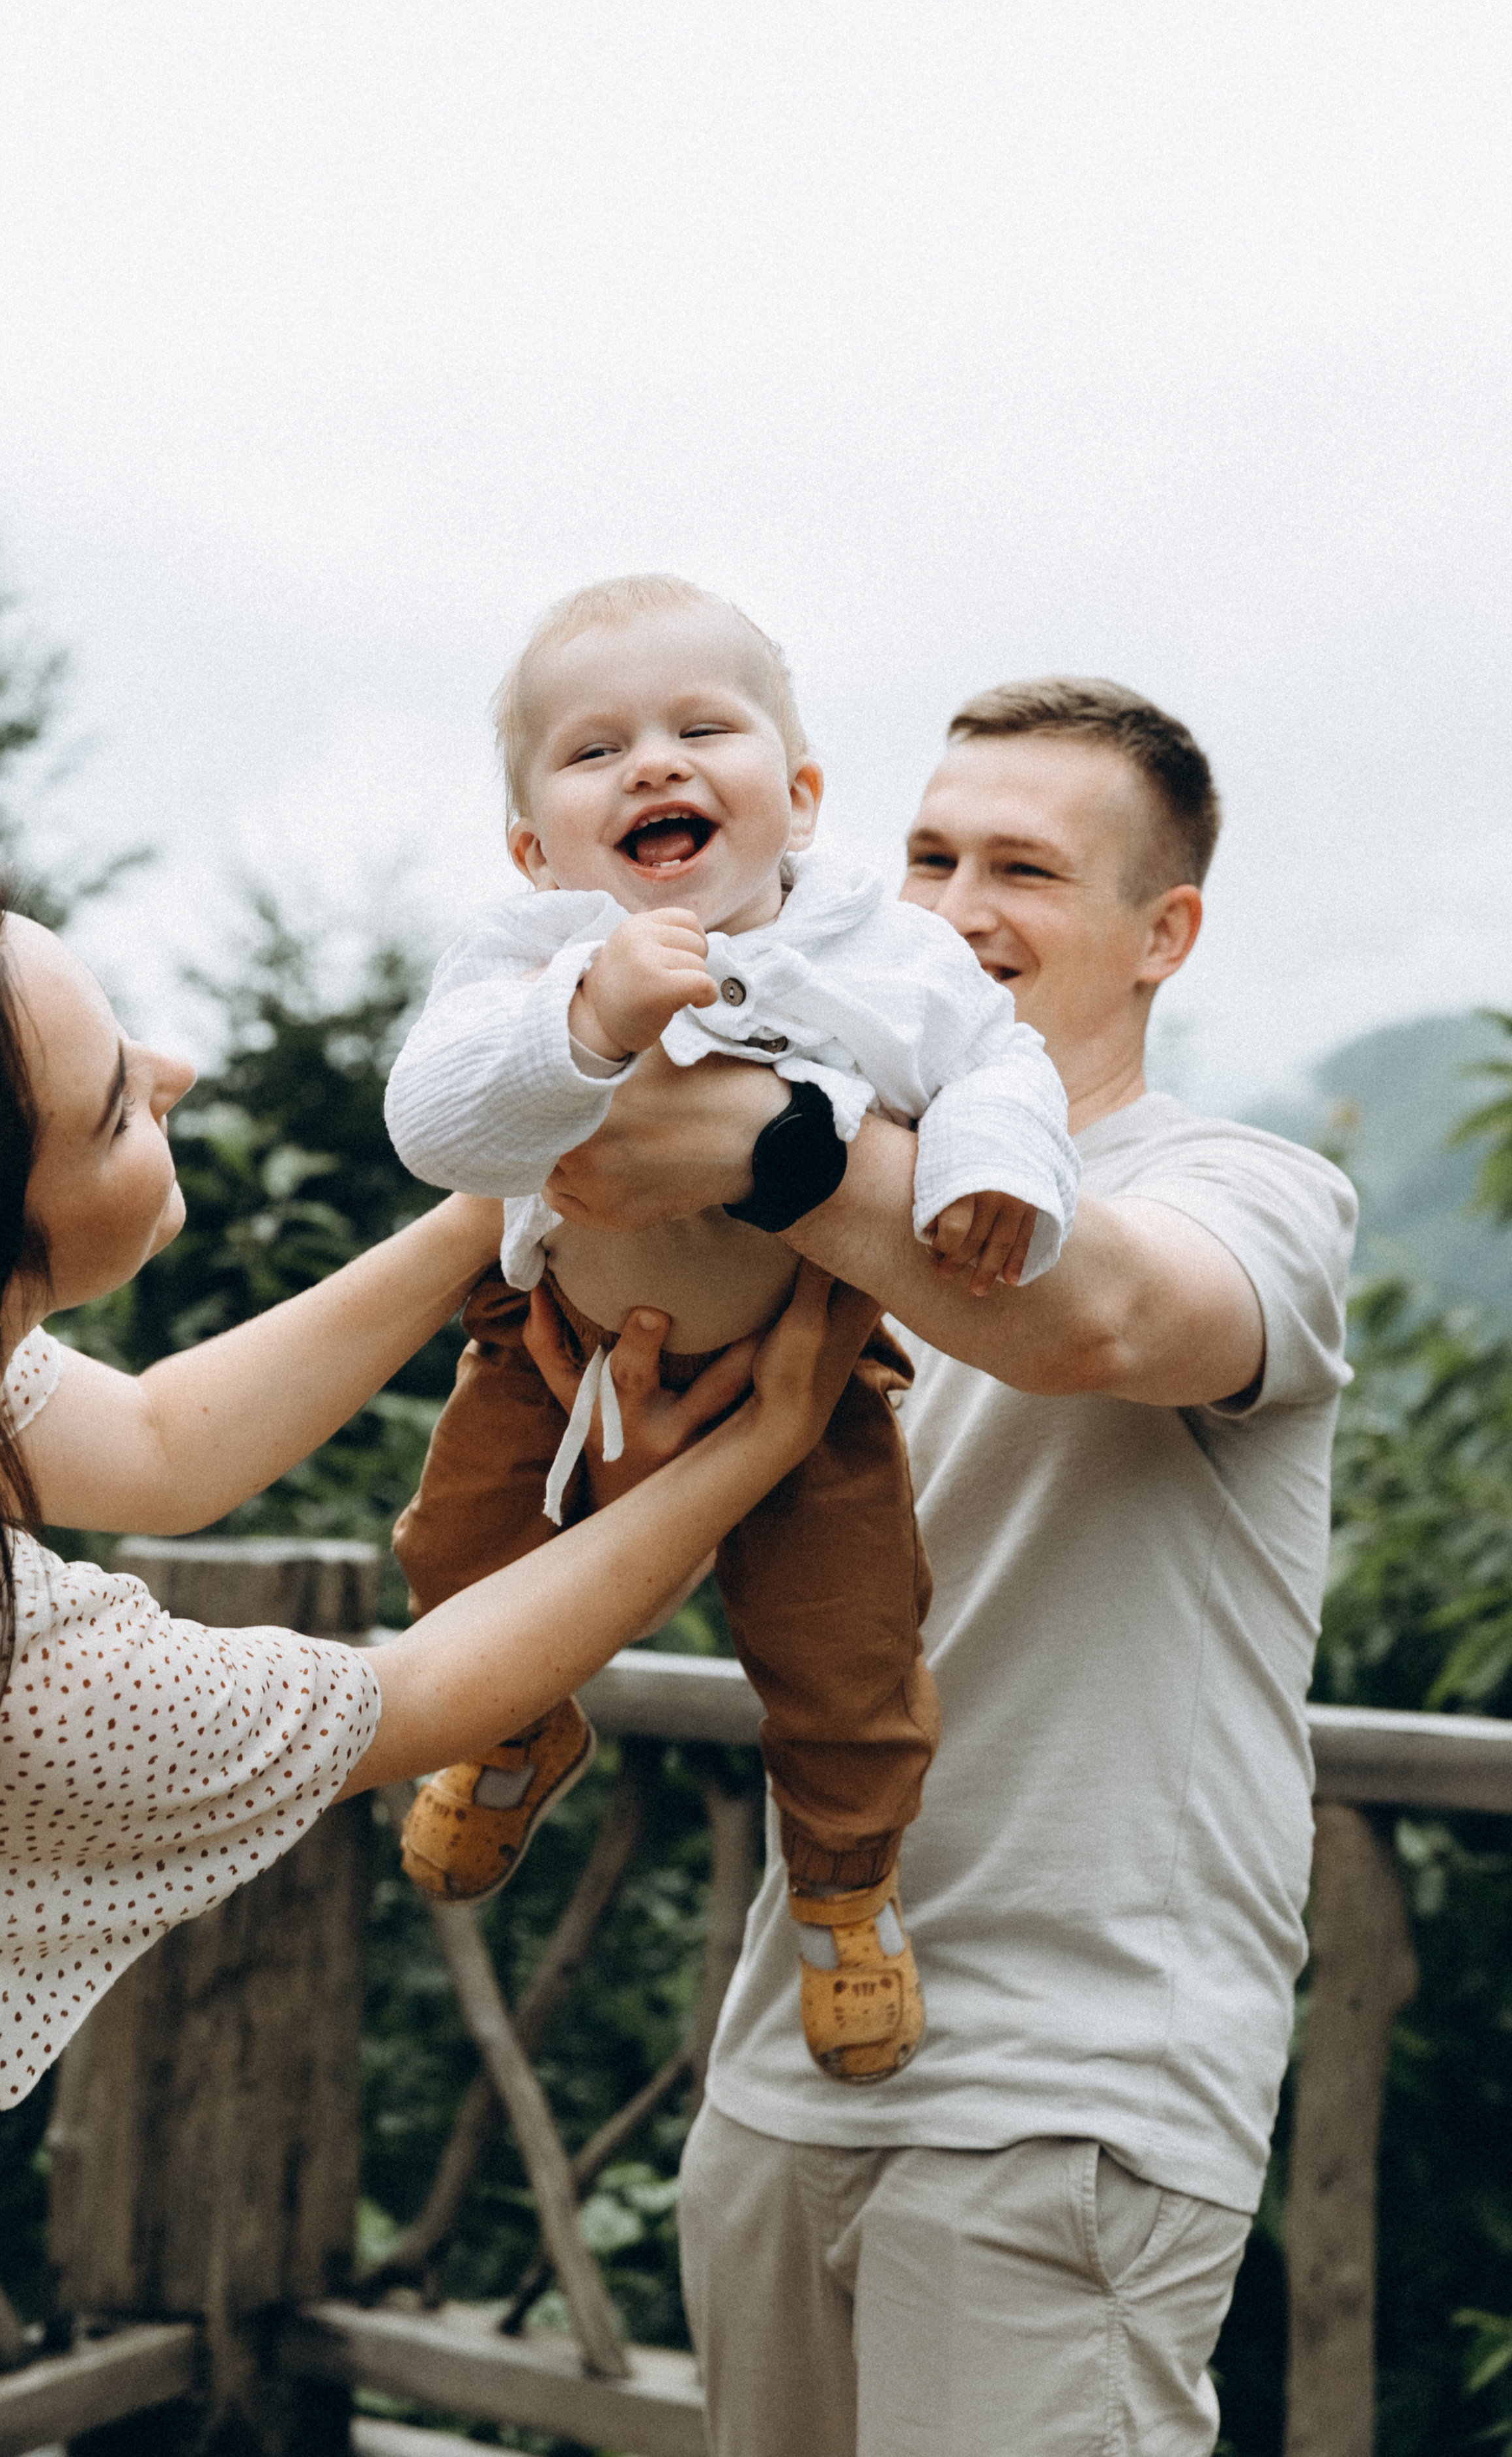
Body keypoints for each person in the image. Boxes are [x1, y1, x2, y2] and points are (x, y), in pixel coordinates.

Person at [539, 678, 1358, 2456]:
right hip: (781, 2067)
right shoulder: (819, 1241)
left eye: (1027, 869)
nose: (958, 906)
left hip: (1075, 2092)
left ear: (1166, 935)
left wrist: (774, 1151)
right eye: (926, 854)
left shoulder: (1254, 1193)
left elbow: (1097, 1319)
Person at [0, 863, 872, 2144]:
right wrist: (765, 1438)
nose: (174, 1071)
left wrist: (513, 1181)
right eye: (116, 1107)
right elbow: (421, 1694)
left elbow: (166, 1450)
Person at [381, 575, 1079, 2085]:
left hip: (805, 1375)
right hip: (550, 1346)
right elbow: (430, 1123)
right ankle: (509, 1729)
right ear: (532, 848)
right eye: (593, 752)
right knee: (451, 1554)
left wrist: (990, 1164)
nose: (653, 763)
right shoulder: (524, 956)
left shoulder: (882, 954)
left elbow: (998, 1066)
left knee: (848, 1651)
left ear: (802, 794)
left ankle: (841, 1894)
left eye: (705, 726)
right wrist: (581, 1021)